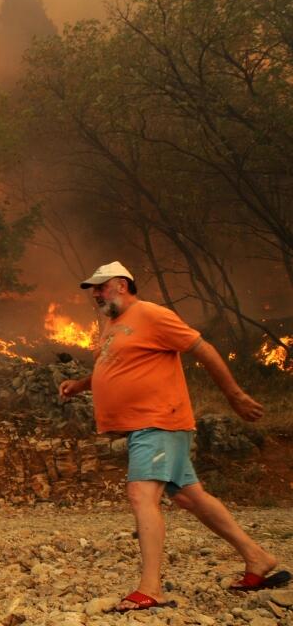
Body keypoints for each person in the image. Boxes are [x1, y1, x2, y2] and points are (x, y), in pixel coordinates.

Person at [57, 261, 289, 613]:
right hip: (145, 425)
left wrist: (235, 396)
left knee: (141, 493)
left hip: (159, 421)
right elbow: (113, 366)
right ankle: (257, 558)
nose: (95, 295)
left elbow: (203, 349)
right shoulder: (111, 325)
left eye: (100, 288)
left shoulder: (151, 314)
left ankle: (151, 588)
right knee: (191, 497)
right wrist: (80, 385)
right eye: (93, 290)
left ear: (121, 284)